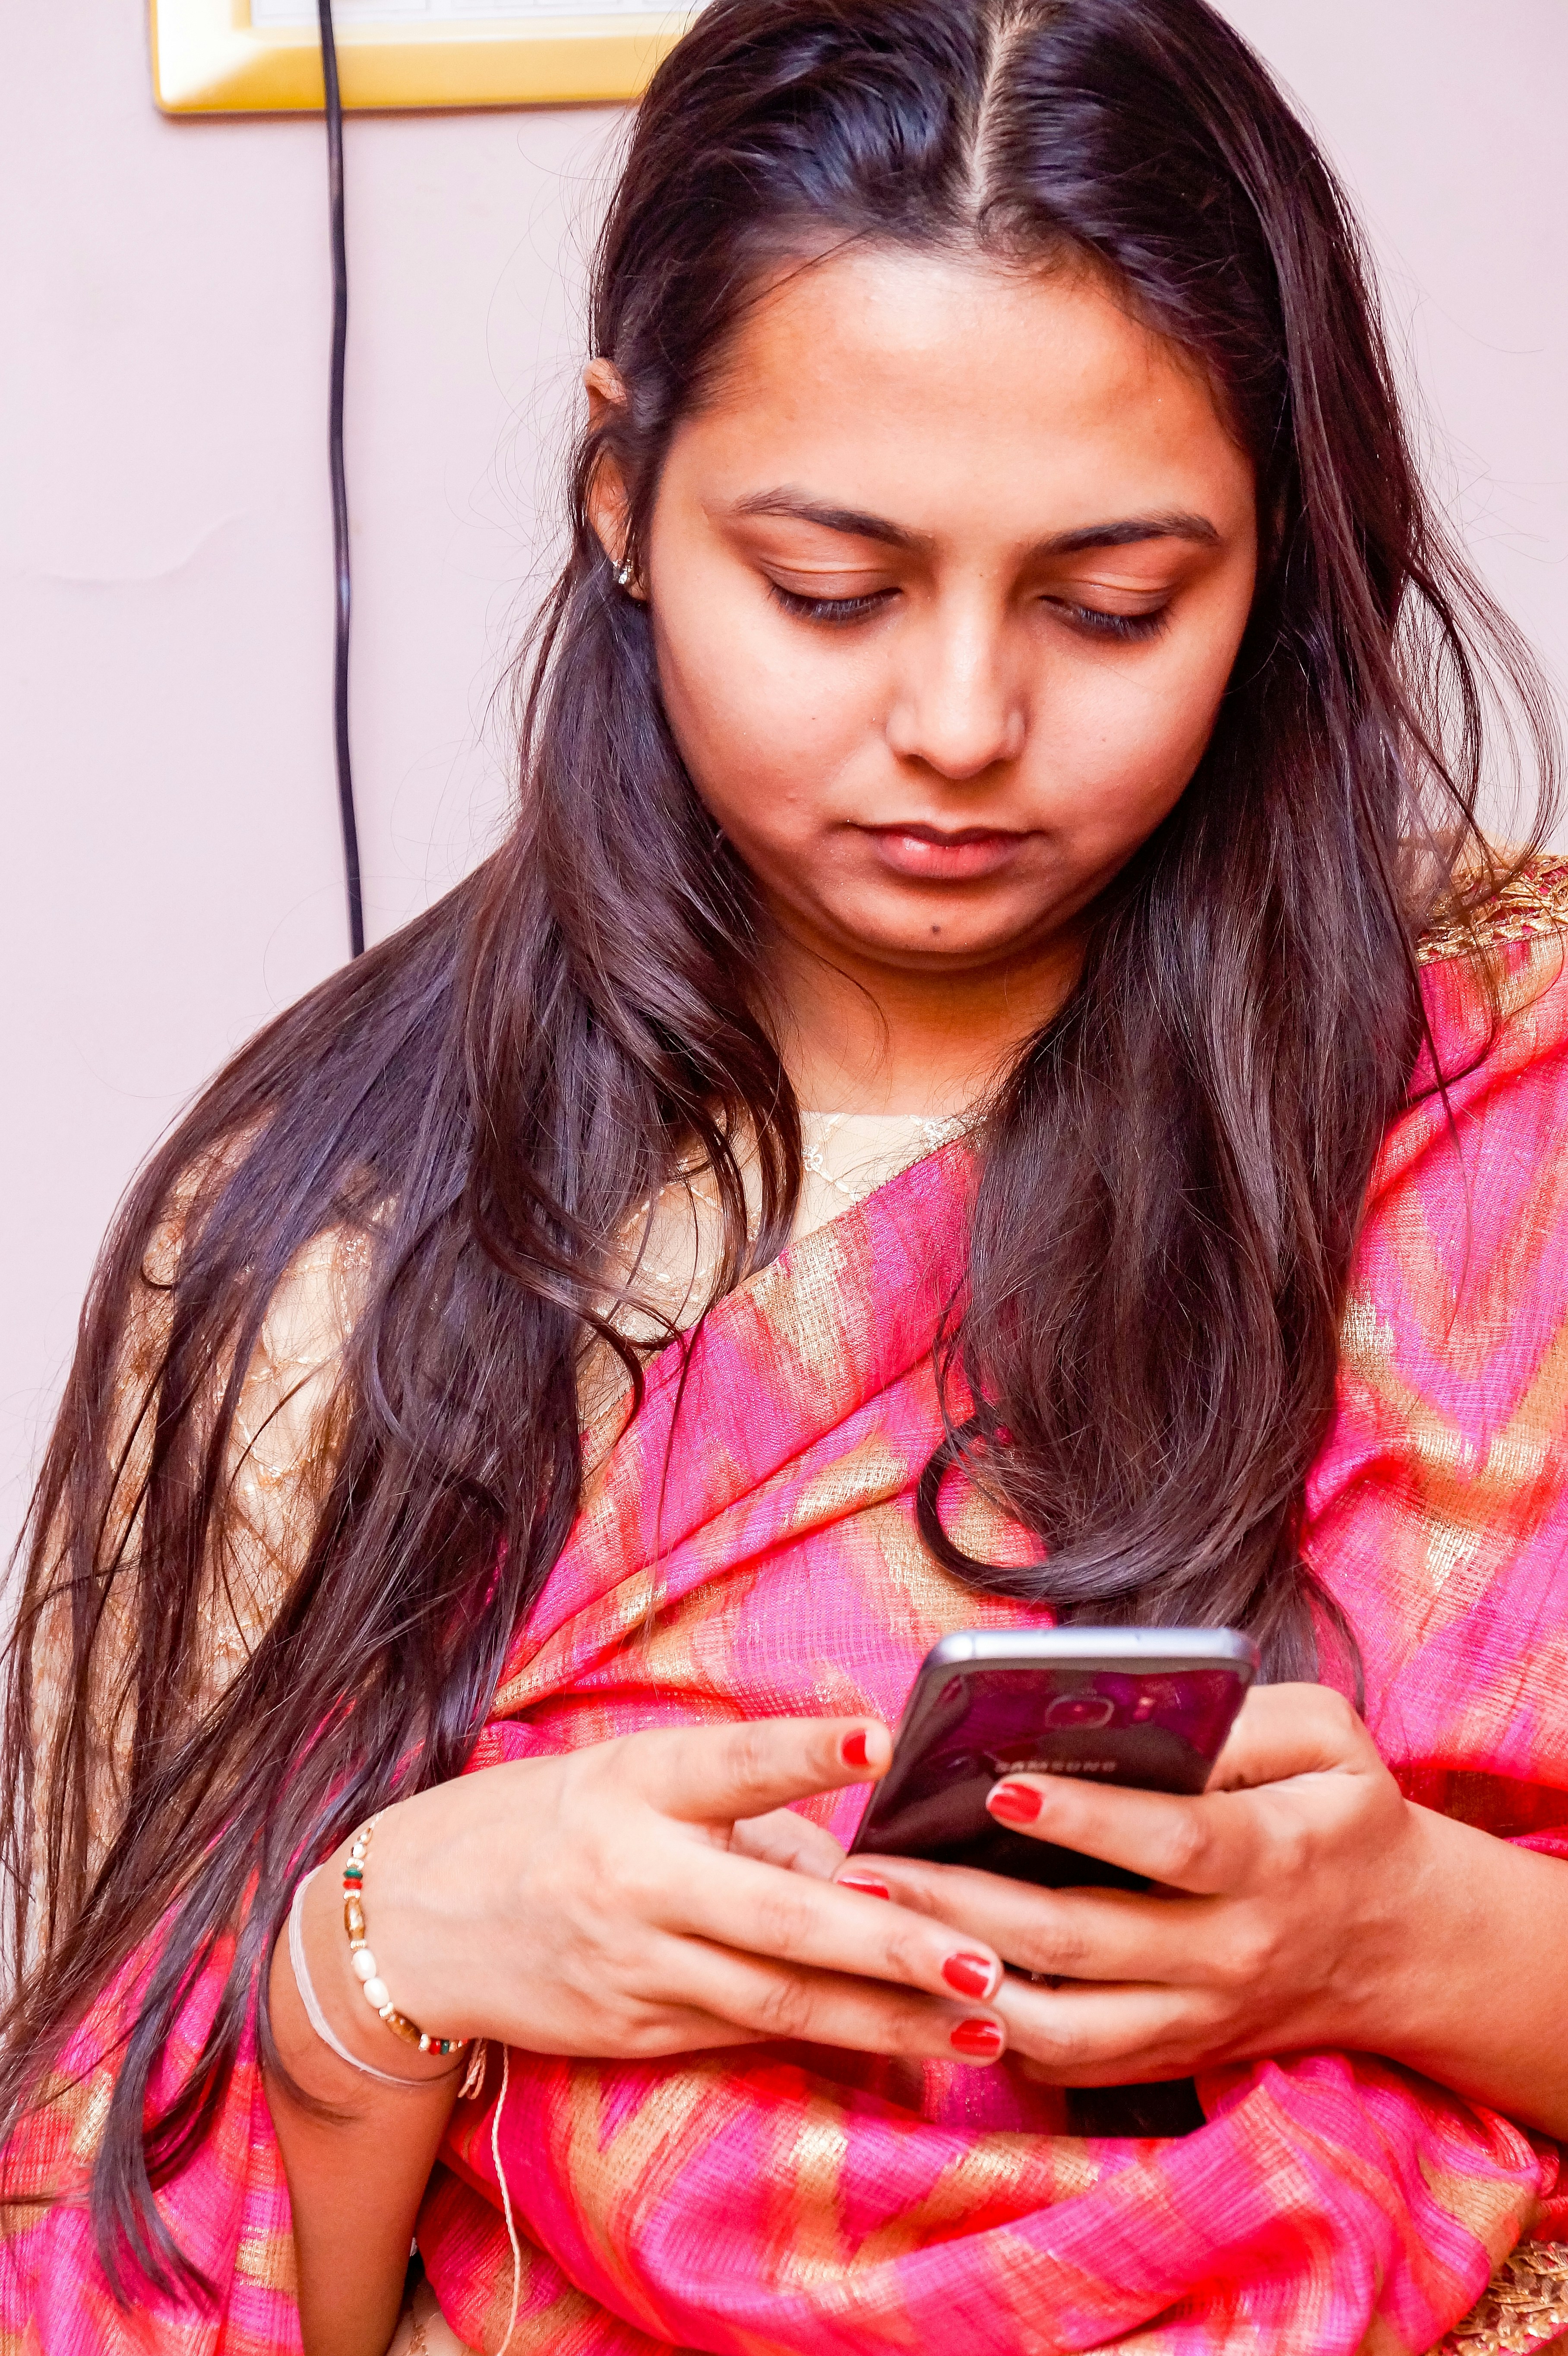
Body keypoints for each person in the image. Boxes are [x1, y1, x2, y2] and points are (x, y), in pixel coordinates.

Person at [5, 0, 1568, 2348]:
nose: (960, 723)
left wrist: (1398, 1935)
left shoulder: (1494, 1119)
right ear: (620, 494)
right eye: (831, 588)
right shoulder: (340, 1245)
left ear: (1284, 544)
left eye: (1114, 604)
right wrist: (385, 1955)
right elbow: (109, 2252)